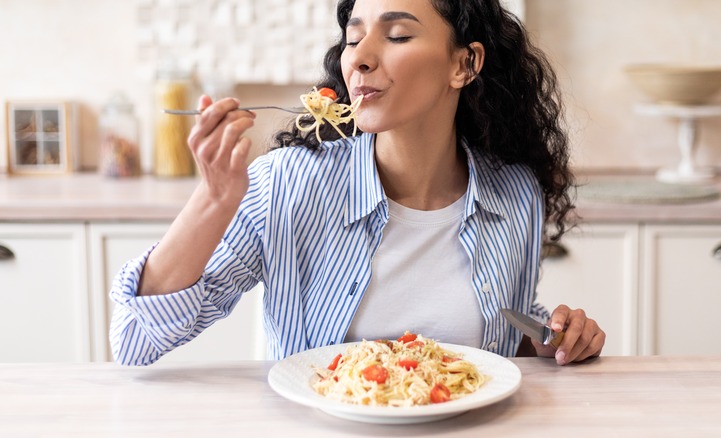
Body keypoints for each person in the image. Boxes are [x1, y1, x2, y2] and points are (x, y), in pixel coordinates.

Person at [110, 0, 605, 366]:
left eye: (397, 36)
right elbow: (134, 340)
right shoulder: (288, 184)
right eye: (352, 38)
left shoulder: (514, 194)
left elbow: (503, 331)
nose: (359, 59)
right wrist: (214, 200)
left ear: (464, 64)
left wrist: (554, 337)